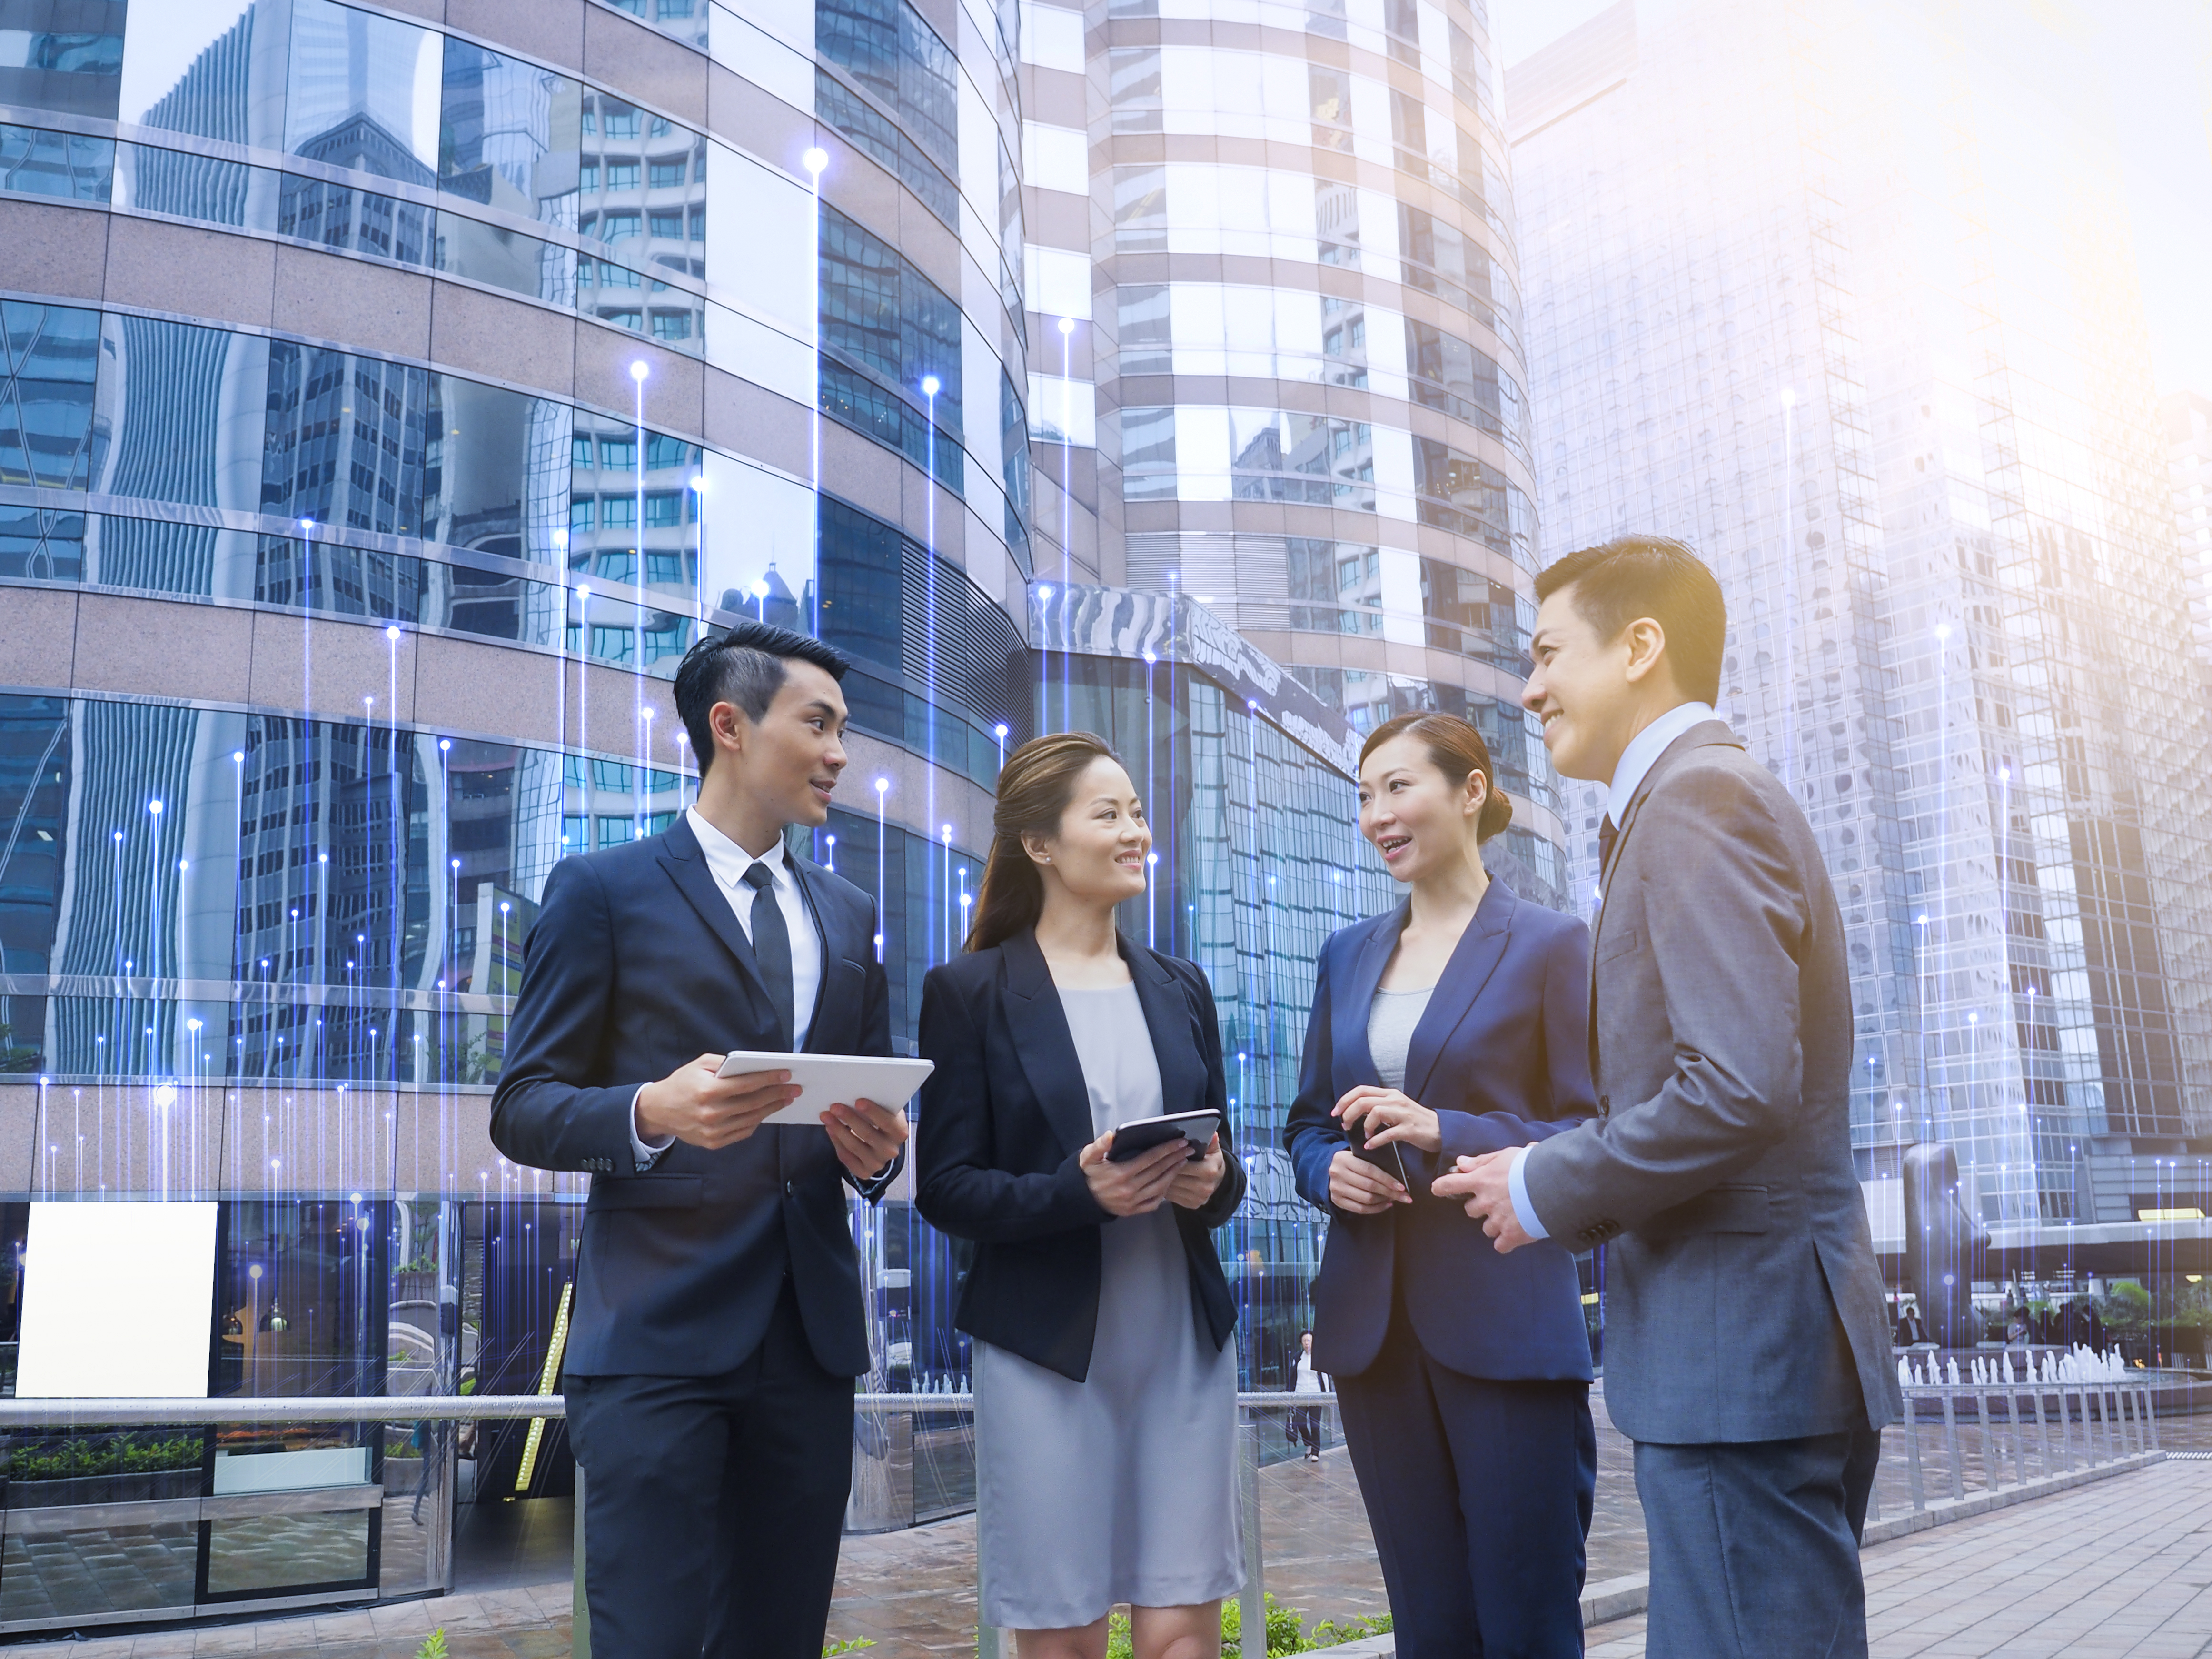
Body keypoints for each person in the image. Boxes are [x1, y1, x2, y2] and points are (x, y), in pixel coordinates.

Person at [1436, 536, 1902, 1659]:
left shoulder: (1693, 801)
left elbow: (1734, 1084)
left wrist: (1544, 1180)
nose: (1530, 686)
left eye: (1546, 653)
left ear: (1639, 646)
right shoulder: (1686, 804)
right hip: (1748, 1353)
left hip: (1738, 1359)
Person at [490, 621, 909, 1659]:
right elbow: (523, 1103)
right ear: (729, 725)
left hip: (808, 1348)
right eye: (818, 724)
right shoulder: (602, 889)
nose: (839, 754)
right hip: (653, 1348)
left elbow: (868, 1099)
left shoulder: (850, 911)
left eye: (844, 730)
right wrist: (647, 1110)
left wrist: (879, 1154)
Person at [915, 732, 1246, 1659]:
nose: (1136, 830)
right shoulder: (969, 991)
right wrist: (1077, 1191)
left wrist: (1211, 1179)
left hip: (1181, 1341)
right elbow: (944, 1186)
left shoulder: (1181, 986)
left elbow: (1229, 1164)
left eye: (1137, 811)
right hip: (1044, 1352)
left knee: (1184, 1629)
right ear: (1040, 843)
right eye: (1109, 813)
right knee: (1058, 1629)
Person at [1285, 712, 1597, 1658]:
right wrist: (1327, 1170)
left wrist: (1446, 1129)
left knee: (1526, 1617)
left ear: (1470, 790)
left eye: (1397, 786)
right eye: (1364, 794)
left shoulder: (1550, 942)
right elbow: (1305, 1120)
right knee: (1427, 1625)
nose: (1376, 812)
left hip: (1504, 1320)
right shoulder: (1346, 953)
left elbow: (1596, 1130)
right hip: (1373, 1332)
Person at [1290, 1330, 1329, 1461]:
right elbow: (1292, 1377)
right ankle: (1309, 1444)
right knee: (1300, 1422)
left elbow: (1325, 1376)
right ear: (1301, 1343)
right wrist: (1290, 1394)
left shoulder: (1319, 1358)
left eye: (1309, 1341)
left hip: (1315, 1395)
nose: (1307, 1344)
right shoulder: (1297, 1358)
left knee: (1315, 1425)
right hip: (1300, 1395)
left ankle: (1316, 1452)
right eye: (1304, 1341)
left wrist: (1327, 1395)